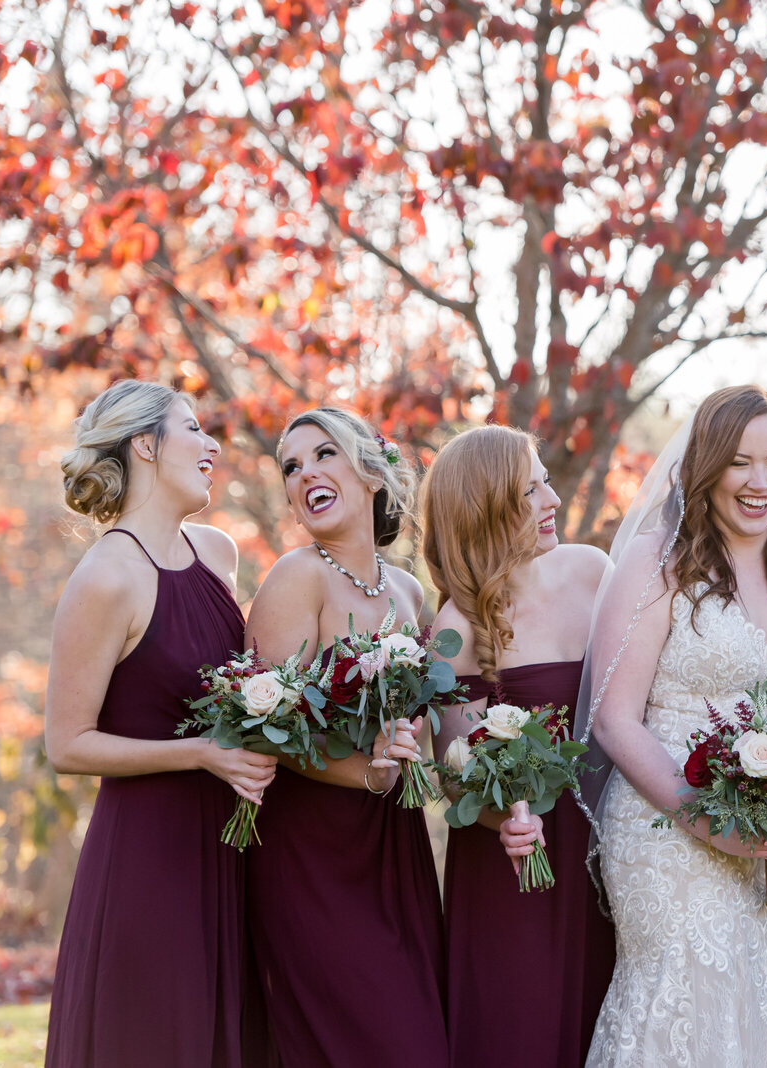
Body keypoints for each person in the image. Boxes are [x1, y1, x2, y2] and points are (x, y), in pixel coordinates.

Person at [582, 385, 767, 1067]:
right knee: (688, 1006)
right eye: (740, 462)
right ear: (706, 467)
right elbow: (616, 721)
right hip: (668, 831)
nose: (760, 482)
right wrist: (708, 821)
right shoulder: (658, 561)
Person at [45, 381, 275, 1067]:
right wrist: (200, 754)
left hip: (233, 851)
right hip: (148, 861)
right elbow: (67, 744)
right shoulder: (107, 577)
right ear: (145, 444)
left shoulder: (217, 554)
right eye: (194, 429)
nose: (211, 447)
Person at [242, 408, 446, 1067]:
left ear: (371, 473)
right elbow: (264, 731)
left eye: (323, 454)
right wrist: (368, 770)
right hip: (313, 852)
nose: (306, 474)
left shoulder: (411, 593)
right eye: (292, 468)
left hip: (393, 845)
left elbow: (420, 716)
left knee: (423, 1037)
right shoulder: (296, 577)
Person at [423, 425, 616, 1068]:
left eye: (546, 482)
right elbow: (456, 775)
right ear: (484, 506)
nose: (552, 500)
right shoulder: (455, 627)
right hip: (514, 867)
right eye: (530, 490)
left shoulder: (593, 573)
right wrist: (499, 817)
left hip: (607, 851)